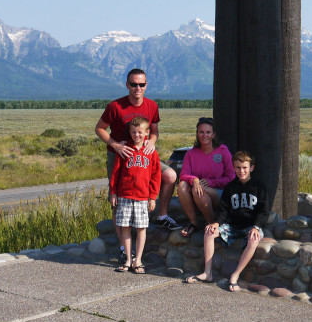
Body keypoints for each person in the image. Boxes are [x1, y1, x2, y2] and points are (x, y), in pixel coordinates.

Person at [95, 68, 181, 263]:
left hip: (145, 156)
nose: (137, 88)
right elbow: (99, 128)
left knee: (170, 176)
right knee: (117, 202)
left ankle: (162, 215)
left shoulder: (152, 106)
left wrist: (152, 141)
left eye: (141, 84)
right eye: (133, 84)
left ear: (146, 85)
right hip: (120, 157)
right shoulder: (115, 106)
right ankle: (123, 247)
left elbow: (155, 130)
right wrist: (115, 145)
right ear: (127, 85)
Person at [184, 150, 268, 291]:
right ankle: (207, 273)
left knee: (254, 239)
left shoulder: (259, 187)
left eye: (245, 168)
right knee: (209, 232)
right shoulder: (230, 187)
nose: (241, 171)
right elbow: (224, 210)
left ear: (251, 168)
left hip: (251, 226)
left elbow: (264, 211)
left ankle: (235, 276)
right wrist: (216, 223)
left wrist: (256, 227)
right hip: (233, 226)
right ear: (234, 168)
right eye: (238, 168)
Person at [108, 117, 160, 274]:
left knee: (141, 228)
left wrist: (152, 197)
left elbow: (156, 176)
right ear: (129, 133)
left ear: (147, 133)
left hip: (142, 197)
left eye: (140, 132)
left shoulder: (151, 152)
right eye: (133, 132)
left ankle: (138, 260)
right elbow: (115, 174)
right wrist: (113, 193)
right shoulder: (124, 150)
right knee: (125, 227)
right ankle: (128, 260)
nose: (136, 135)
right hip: (124, 195)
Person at [177, 117, 235, 237]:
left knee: (199, 190)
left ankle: (211, 224)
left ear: (213, 134)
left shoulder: (223, 151)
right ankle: (193, 223)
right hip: (198, 192)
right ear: (197, 134)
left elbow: (231, 178)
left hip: (220, 194)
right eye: (201, 132)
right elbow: (183, 175)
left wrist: (211, 182)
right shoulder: (190, 154)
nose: (205, 135)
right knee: (182, 185)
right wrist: (195, 180)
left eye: (208, 132)